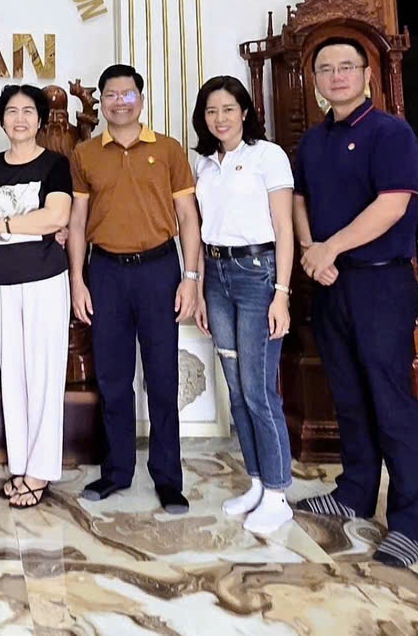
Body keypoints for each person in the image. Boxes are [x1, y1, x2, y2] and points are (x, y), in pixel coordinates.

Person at [291, 36, 418, 567]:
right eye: (326, 69)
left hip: (380, 283)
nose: (337, 76)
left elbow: (391, 206)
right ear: (316, 81)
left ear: (367, 74)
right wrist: (311, 250)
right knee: (346, 394)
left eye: (347, 66)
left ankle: (409, 524)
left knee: (391, 401)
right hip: (330, 282)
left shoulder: (391, 133)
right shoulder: (313, 141)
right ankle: (354, 492)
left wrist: (331, 247)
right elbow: (299, 200)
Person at [68, 63, 202, 511]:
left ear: (141, 101)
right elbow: (78, 222)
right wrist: (77, 280)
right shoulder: (85, 154)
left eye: (128, 94)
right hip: (105, 272)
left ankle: (167, 477)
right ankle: (116, 471)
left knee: (162, 377)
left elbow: (188, 217)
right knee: (112, 378)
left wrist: (191, 278)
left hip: (159, 270)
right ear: (101, 101)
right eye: (111, 94)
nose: (119, 102)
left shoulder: (167, 149)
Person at [189, 75, 295, 535]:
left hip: (258, 275)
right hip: (217, 276)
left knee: (259, 390)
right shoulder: (203, 164)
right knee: (235, 389)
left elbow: (284, 228)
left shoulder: (267, 156)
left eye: (228, 109)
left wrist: (282, 294)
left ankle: (278, 493)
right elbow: (200, 229)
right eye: (211, 111)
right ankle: (256, 482)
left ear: (245, 112)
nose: (220, 118)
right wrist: (197, 286)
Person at [0, 84, 72, 509]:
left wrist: (5, 224)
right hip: (1, 281)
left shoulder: (55, 164)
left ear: (40, 119)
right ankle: (21, 464)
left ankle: (40, 470)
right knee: (12, 375)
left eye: (29, 111)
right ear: (1, 119)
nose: (20, 119)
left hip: (45, 279)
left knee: (45, 373)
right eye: (12, 111)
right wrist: (11, 225)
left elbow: (57, 216)